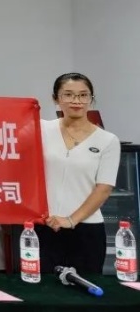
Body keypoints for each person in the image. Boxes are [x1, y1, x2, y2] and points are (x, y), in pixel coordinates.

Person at [38, 73, 120, 275]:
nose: (76, 101)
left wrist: (71, 220)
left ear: (91, 99)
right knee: (41, 290)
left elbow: (104, 188)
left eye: (83, 95)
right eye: (68, 94)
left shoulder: (107, 140)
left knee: (86, 289)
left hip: (87, 229)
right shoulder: (40, 129)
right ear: (56, 99)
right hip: (44, 226)